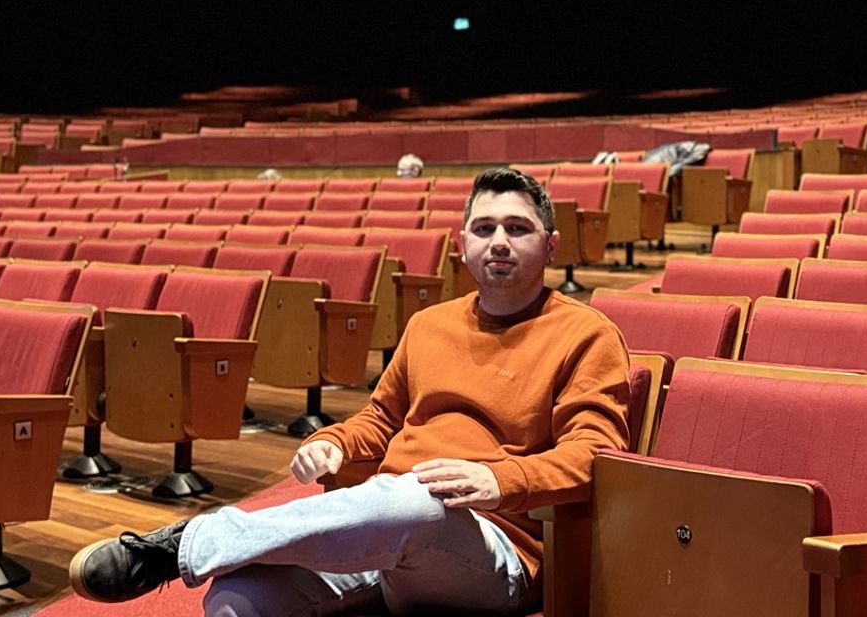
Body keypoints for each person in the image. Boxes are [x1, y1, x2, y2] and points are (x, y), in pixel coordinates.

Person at [69, 167, 631, 616]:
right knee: (238, 598)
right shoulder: (429, 324)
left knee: (412, 497)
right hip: (390, 533)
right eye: (484, 229)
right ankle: (206, 546)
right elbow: (380, 420)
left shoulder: (586, 334)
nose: (499, 242)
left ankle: (186, 544)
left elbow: (596, 456)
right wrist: (336, 442)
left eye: (518, 228)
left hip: (495, 554)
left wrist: (500, 479)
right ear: (463, 244)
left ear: (551, 245)